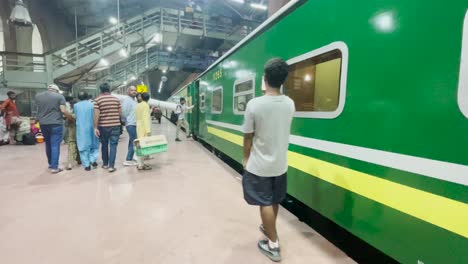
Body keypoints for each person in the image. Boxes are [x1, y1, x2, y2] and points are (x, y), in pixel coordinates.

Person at [242, 58, 295, 262]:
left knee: (264, 202)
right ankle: (269, 226)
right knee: (274, 199)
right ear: (283, 80)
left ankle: (273, 244)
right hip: (280, 164)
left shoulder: (254, 104)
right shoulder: (289, 103)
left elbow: (248, 136)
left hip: (260, 165)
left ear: (265, 78)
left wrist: (246, 157)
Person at [35, 84, 73, 174]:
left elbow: (38, 110)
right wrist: (71, 118)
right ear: (56, 90)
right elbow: (63, 110)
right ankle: (54, 167)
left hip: (43, 123)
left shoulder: (38, 96)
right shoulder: (59, 97)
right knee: (55, 145)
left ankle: (51, 164)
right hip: (56, 123)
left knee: (48, 144)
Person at [94, 83, 122, 173]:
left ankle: (105, 164)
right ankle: (111, 166)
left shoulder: (97, 100)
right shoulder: (116, 99)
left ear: (100, 90)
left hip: (103, 126)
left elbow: (96, 115)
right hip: (115, 125)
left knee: (104, 145)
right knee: (113, 145)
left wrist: (95, 127)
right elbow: (120, 113)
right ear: (109, 89)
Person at [74, 92, 99, 171]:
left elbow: (76, 115)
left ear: (78, 97)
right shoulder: (92, 104)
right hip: (92, 127)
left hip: (81, 128)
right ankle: (92, 160)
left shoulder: (76, 105)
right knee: (94, 145)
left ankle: (87, 165)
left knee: (83, 146)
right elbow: (96, 115)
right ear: (87, 97)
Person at [134, 92, 152, 170]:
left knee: (138, 146)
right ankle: (141, 165)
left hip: (138, 126)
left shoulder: (138, 105)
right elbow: (145, 118)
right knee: (143, 146)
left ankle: (140, 164)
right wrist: (148, 131)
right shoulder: (145, 105)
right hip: (143, 128)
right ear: (148, 99)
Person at [121, 86, 138, 166]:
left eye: (135, 90)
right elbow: (124, 112)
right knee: (134, 141)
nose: (134, 92)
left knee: (132, 141)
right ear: (128, 92)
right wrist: (125, 121)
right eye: (132, 90)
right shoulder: (127, 100)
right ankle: (128, 159)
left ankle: (130, 157)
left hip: (133, 123)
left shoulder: (133, 100)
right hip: (130, 124)